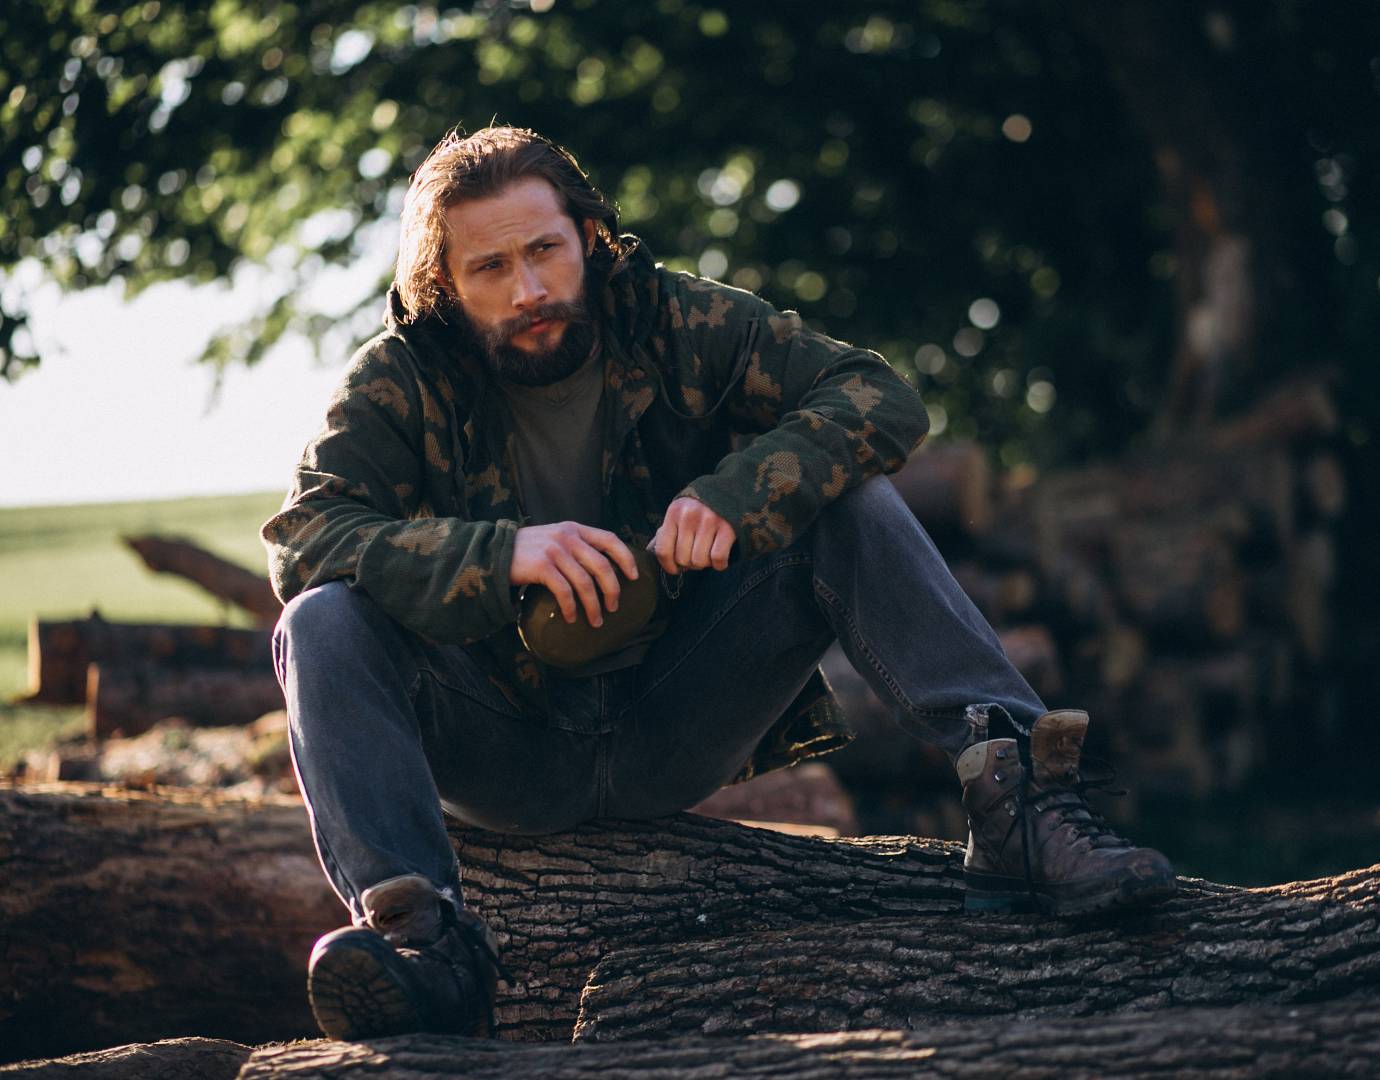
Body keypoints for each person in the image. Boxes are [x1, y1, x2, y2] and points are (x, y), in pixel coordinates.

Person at [264, 125, 1175, 1041]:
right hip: (506, 748)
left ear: (588, 234)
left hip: (678, 714)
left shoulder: (675, 320)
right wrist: (500, 554)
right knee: (320, 617)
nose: (529, 290)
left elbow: (877, 397)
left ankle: (1017, 804)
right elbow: (304, 538)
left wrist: (739, 497)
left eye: (544, 249)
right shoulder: (397, 380)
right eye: (489, 269)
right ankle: (428, 947)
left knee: (844, 497)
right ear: (444, 290)